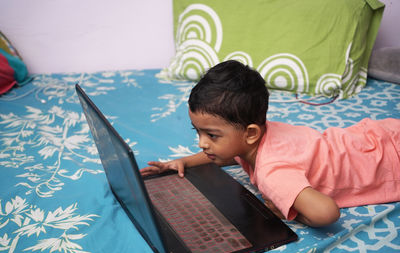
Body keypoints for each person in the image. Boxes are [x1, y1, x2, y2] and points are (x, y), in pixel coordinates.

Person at [140, 60, 400, 227]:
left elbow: (327, 213)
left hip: (390, 160)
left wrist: (289, 212)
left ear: (250, 133)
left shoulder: (272, 172)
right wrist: (183, 161)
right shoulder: (254, 136)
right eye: (198, 133)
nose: (202, 144)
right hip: (376, 135)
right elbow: (230, 153)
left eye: (211, 136)